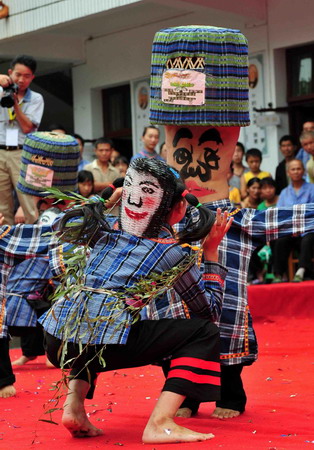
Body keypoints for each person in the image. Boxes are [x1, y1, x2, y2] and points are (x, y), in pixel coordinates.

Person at [40, 158, 231, 443]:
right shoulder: (174, 252)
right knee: (204, 333)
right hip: (100, 342)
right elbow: (208, 312)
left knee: (95, 322)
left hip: (54, 340)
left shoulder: (103, 229)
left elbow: (61, 227)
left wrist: (103, 202)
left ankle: (74, 408)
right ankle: (161, 421)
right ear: (179, 208)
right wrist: (211, 253)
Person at [0, 55, 44, 225]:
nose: (21, 80)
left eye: (27, 76)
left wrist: (15, 104)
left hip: (22, 152)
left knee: (27, 200)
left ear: (32, 77)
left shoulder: (36, 98)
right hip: (1, 150)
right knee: (2, 204)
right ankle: (4, 243)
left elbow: (27, 127)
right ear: (10, 72)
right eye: (18, 75)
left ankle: (34, 242)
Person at [272, 159, 314, 283]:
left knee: (308, 240)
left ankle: (301, 271)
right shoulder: (284, 192)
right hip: (290, 230)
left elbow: (312, 211)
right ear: (288, 172)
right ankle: (279, 274)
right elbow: (281, 214)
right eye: (293, 169)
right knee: (279, 240)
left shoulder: (312, 188)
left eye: (298, 169)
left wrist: (301, 226)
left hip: (308, 229)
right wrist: (291, 228)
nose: (296, 172)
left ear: (304, 171)